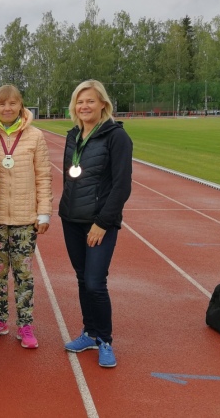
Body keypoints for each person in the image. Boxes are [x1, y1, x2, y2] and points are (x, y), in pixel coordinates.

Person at [60, 79, 132, 369]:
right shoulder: (73, 135)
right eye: (80, 101)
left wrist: (103, 222)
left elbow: (122, 186)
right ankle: (89, 332)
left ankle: (104, 340)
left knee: (95, 282)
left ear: (103, 103)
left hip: (100, 222)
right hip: (71, 219)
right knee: (82, 279)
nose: (84, 106)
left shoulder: (116, 137)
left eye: (90, 101)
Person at [0, 85, 52, 349]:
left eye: (12, 103)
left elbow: (44, 176)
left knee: (24, 275)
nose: (7, 108)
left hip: (25, 219)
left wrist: (43, 212)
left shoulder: (35, 137)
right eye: (1, 104)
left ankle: (25, 325)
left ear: (21, 106)